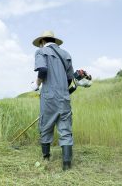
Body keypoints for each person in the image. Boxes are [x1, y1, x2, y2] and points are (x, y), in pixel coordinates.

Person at [31, 30, 74, 171]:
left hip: (49, 96)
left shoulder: (41, 52)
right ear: (54, 41)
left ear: (42, 41)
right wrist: (62, 90)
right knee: (65, 128)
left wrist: (36, 84)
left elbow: (42, 70)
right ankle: (67, 165)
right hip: (64, 96)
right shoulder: (66, 54)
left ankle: (46, 157)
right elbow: (69, 79)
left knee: (46, 125)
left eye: (39, 44)